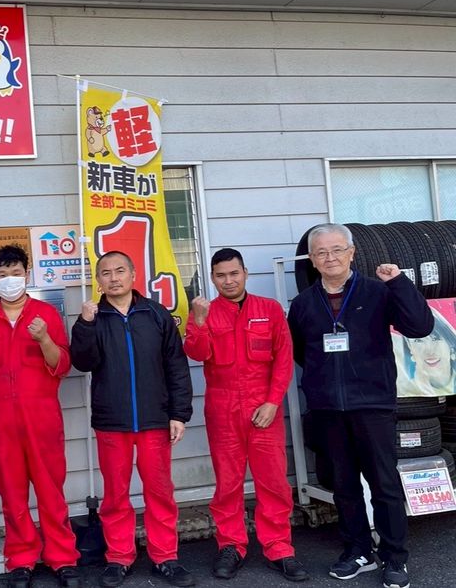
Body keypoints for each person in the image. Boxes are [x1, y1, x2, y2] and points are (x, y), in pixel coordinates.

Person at [287, 223, 433, 588]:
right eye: (321, 252)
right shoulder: (303, 304)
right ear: (312, 260)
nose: (330, 257)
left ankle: (395, 558)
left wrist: (399, 282)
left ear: (352, 253)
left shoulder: (377, 291)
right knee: (344, 485)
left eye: (337, 249)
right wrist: (325, 381)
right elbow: (302, 352)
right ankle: (359, 551)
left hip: (373, 404)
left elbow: (419, 325)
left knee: (384, 484)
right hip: (328, 408)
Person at [70, 251, 196, 588]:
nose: (113, 278)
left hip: (155, 419)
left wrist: (179, 413)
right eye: (106, 273)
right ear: (99, 280)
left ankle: (165, 556)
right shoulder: (94, 317)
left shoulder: (156, 314)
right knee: (115, 495)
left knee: (160, 492)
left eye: (120, 271)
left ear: (133, 274)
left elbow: (176, 366)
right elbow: (82, 362)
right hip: (112, 421)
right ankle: (119, 557)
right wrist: (85, 324)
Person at [183, 248, 308, 582]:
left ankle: (279, 548)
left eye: (234, 273)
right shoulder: (205, 312)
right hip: (223, 409)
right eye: (221, 275)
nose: (228, 281)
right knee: (227, 484)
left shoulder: (269, 309)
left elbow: (284, 358)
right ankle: (231, 545)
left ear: (245, 273)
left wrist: (272, 402)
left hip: (263, 408)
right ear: (213, 278)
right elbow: (196, 352)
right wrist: (198, 321)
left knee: (273, 482)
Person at [0, 246, 81, 588]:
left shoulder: (45, 314)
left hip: (41, 415)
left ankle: (62, 557)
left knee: (51, 490)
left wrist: (43, 337)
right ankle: (21, 558)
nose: (9, 280)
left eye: (15, 273)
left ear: (27, 275)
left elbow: (61, 364)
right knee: (12, 493)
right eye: (2, 275)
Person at [399, 307, 456, 396]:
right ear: (410, 350)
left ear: (451, 347)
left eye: (435, 339)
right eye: (418, 341)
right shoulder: (403, 390)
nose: (429, 350)